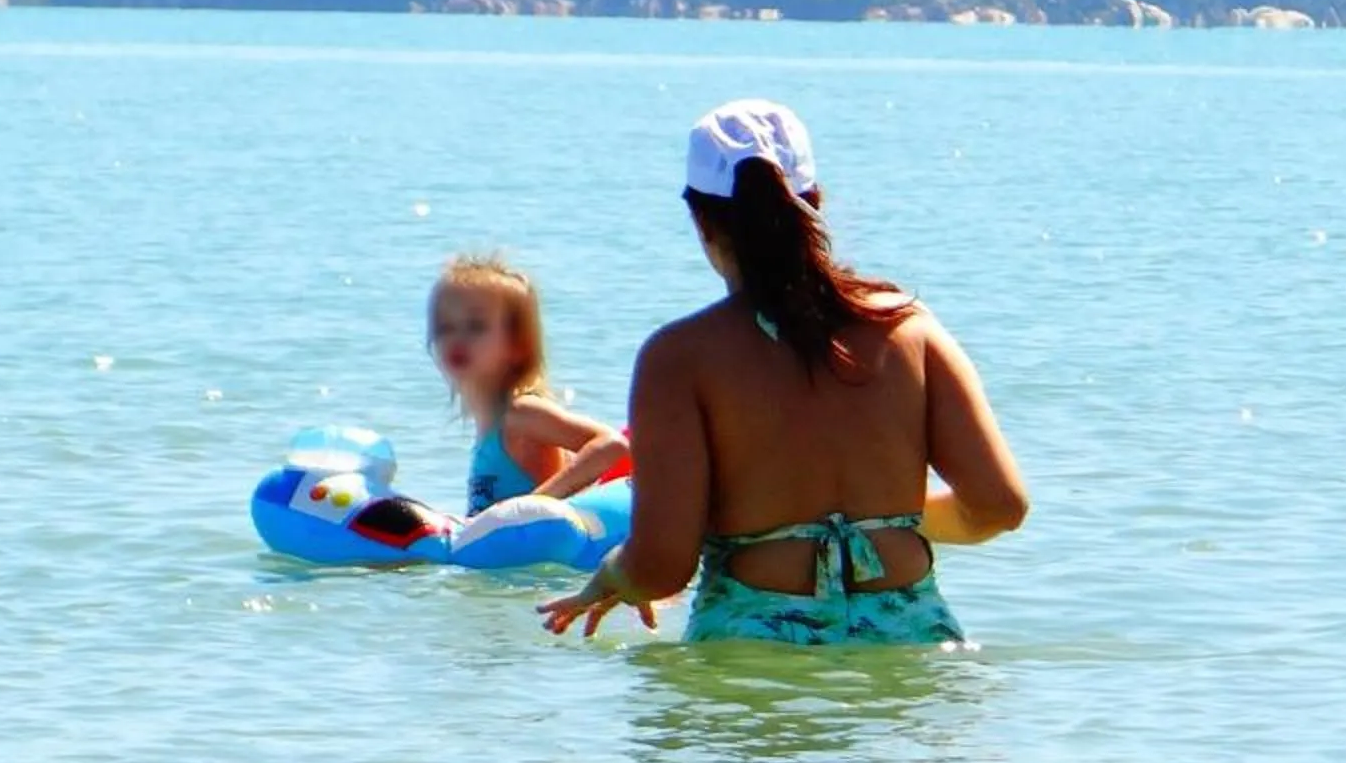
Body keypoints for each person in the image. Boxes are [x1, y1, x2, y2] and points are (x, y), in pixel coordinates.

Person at [538, 100, 1027, 645]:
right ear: (815, 204)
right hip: (912, 637)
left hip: (754, 642)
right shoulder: (907, 327)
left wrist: (612, 575)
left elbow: (661, 567)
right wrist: (890, 519)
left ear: (701, 221)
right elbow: (1000, 504)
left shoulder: (678, 359)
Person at [426, 254, 628, 514]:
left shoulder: (520, 413)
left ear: (518, 346)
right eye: (444, 327)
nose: (457, 338)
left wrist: (533, 505)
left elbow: (612, 445)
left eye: (476, 326)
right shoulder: (490, 423)